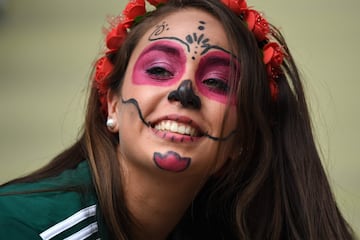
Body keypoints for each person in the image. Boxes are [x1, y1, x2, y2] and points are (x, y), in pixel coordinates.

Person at [0, 0, 355, 239]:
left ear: (241, 139)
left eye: (216, 81)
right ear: (110, 105)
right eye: (158, 69)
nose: (184, 91)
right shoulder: (21, 226)